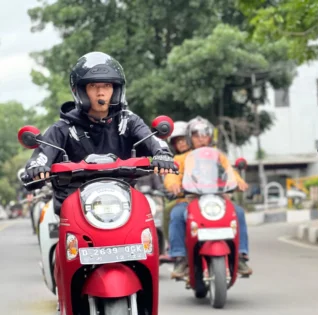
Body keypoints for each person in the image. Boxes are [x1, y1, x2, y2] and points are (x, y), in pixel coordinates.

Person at [22, 52, 176, 213]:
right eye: (93, 86)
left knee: (147, 225)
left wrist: (162, 154)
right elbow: (41, 158)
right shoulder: (63, 128)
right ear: (80, 91)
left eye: (107, 86)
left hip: (122, 205)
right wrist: (37, 168)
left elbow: (153, 141)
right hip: (74, 207)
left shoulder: (128, 121)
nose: (101, 92)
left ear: (116, 90)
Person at [164, 117, 253, 279]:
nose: (201, 139)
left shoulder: (219, 156)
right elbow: (172, 175)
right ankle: (180, 257)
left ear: (210, 137)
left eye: (205, 135)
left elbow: (230, 172)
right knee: (177, 215)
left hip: (217, 199)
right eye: (197, 135)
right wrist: (173, 185)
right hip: (190, 200)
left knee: (238, 213)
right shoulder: (181, 159)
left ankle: (240, 254)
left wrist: (239, 183)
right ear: (190, 138)